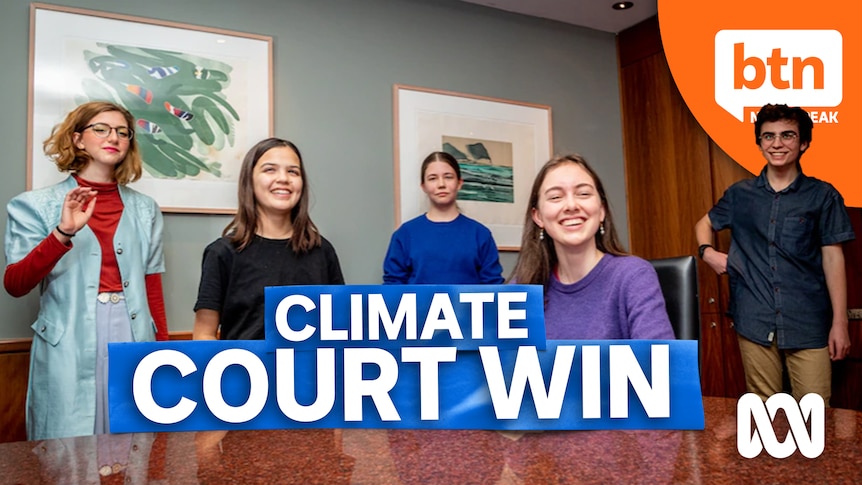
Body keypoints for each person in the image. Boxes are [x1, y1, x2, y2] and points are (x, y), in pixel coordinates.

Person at [4, 101, 168, 440]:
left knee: (134, 441)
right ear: (78, 139)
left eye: (123, 132)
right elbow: (16, 283)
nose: (115, 137)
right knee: (69, 448)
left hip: (134, 334)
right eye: (102, 129)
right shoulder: (34, 205)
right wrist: (62, 232)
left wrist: (163, 352)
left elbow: (152, 284)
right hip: (69, 340)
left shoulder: (145, 208)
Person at [695, 104, 854, 404]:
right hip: (754, 319)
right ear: (759, 143)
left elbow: (834, 259)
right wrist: (708, 253)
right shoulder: (740, 195)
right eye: (768, 136)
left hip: (808, 321)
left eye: (787, 135)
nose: (777, 143)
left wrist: (840, 323)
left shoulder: (823, 196)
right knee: (765, 415)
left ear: (803, 142)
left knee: (815, 413)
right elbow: (703, 224)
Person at [193, 138, 344, 341]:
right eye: (270, 170)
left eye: (293, 172)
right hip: (244, 370)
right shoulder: (222, 253)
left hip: (307, 371)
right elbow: (204, 334)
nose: (283, 178)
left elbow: (341, 325)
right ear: (250, 180)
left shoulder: (322, 251)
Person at [509, 154, 674, 340]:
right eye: (555, 197)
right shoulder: (522, 287)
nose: (571, 205)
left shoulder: (634, 275)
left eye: (584, 194)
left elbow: (663, 363)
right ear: (538, 216)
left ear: (601, 210)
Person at [383, 151, 504, 285]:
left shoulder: (480, 234)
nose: (441, 184)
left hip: (466, 307)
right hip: (420, 306)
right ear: (423, 186)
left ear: (459, 183)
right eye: (432, 178)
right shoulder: (405, 234)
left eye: (448, 177)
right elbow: (393, 287)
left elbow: (494, 288)